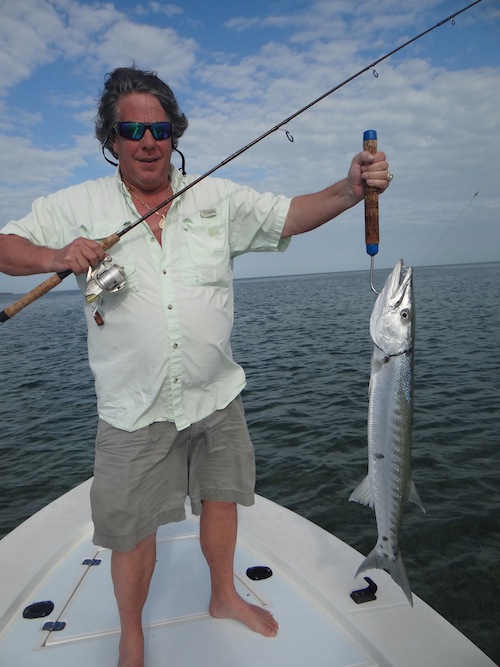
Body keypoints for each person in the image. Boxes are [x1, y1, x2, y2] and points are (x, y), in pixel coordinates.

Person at [0, 66, 391, 667]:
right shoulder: (74, 205)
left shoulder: (216, 197)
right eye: (132, 130)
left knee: (221, 499)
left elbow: (288, 215)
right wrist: (56, 254)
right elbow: (5, 247)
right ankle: (132, 635)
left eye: (159, 129)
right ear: (111, 139)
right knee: (132, 533)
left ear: (175, 134)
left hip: (215, 395)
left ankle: (223, 595)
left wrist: (350, 188)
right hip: (133, 406)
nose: (147, 141)